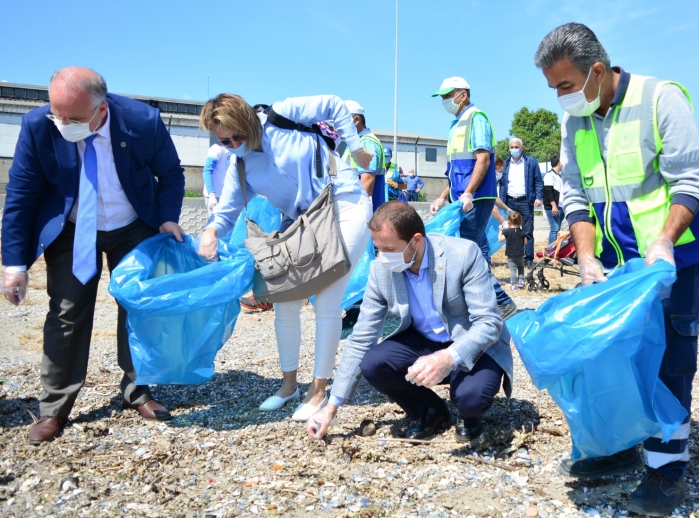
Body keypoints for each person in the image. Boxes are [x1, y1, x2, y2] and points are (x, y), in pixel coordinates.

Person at [535, 23, 699, 515]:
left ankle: (666, 469)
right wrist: (587, 256)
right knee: (615, 354)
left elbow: (691, 181)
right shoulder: (578, 121)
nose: (561, 98)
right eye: (554, 89)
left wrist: (662, 242)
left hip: (667, 260)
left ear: (597, 71)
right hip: (613, 264)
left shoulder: (660, 99)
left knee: (670, 360)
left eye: (565, 86)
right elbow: (574, 193)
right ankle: (620, 444)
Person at [0, 67, 186, 445]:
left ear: (101, 110)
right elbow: (21, 193)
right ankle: (54, 408)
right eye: (57, 114)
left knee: (139, 308)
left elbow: (171, 174)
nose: (62, 123)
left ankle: (138, 390)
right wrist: (14, 264)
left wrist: (167, 218)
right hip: (71, 229)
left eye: (73, 118)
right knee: (67, 313)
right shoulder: (38, 125)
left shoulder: (142, 121)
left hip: (132, 225)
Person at [197, 94, 373, 421]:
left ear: (249, 120)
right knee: (285, 301)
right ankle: (289, 384)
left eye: (239, 135)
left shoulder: (282, 115)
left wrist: (356, 145)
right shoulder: (240, 164)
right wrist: (210, 232)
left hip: (345, 203)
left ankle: (319, 390)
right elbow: (226, 213)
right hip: (303, 221)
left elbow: (334, 104)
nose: (235, 143)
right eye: (225, 141)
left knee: (327, 300)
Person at [304, 201, 513, 443]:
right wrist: (330, 407)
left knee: (470, 397)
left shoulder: (463, 254)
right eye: (377, 248)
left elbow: (488, 323)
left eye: (390, 249)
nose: (383, 257)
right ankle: (429, 411)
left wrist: (447, 358)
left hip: (470, 341)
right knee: (373, 363)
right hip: (425, 340)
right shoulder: (381, 270)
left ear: (416, 240)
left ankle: (468, 415)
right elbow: (361, 337)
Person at [428, 76, 517, 320]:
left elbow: (483, 159)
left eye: (448, 95)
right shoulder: (455, 124)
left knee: (468, 252)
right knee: (469, 250)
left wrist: (468, 192)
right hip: (463, 199)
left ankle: (501, 302)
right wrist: (442, 197)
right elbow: (455, 170)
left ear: (463, 94)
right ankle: (481, 303)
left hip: (476, 198)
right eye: (444, 97)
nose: (445, 100)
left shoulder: (476, 119)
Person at [497, 138, 543, 267]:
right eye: (511, 147)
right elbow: (503, 185)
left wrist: (539, 197)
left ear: (522, 148)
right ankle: (513, 258)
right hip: (510, 202)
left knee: (527, 231)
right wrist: (502, 202)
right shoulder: (506, 164)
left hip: (525, 202)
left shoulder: (531, 162)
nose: (514, 149)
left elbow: (538, 181)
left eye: (516, 147)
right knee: (510, 232)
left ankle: (528, 259)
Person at [342, 100, 386, 212]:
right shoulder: (357, 142)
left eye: (341, 121)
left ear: (356, 120)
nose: (337, 126)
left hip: (362, 213)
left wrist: (355, 212)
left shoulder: (366, 142)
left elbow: (367, 180)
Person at [498, 211, 526, 289]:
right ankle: (521, 281)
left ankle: (514, 285)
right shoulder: (522, 232)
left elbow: (500, 239)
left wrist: (500, 230)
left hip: (511, 255)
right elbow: (525, 242)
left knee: (513, 269)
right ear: (520, 221)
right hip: (520, 254)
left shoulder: (507, 232)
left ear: (509, 221)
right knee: (521, 267)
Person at [203, 142, 231, 217]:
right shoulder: (217, 148)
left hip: (229, 196)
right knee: (215, 226)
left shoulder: (235, 150)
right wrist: (212, 196)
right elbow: (207, 172)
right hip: (216, 197)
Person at [542, 156, 565, 244]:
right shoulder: (549, 175)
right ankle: (550, 251)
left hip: (560, 206)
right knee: (554, 229)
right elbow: (548, 192)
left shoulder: (558, 176)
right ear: (559, 163)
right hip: (553, 207)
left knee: (557, 228)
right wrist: (554, 206)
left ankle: (554, 249)